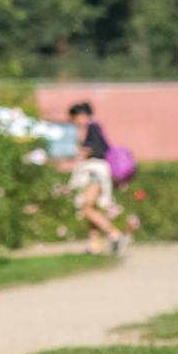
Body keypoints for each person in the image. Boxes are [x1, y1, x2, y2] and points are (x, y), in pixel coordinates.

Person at [65, 98, 126, 255]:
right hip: (93, 171)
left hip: (95, 172)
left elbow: (99, 149)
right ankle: (94, 244)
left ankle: (115, 234)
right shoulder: (90, 128)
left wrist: (83, 150)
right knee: (91, 208)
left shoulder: (93, 128)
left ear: (80, 116)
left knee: (86, 207)